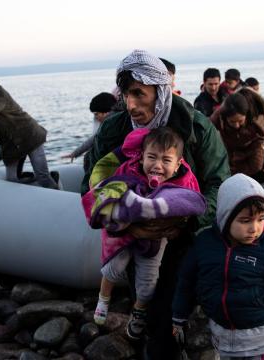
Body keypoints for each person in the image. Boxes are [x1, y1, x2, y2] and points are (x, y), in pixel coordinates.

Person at [81, 49, 230, 359]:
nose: (130, 104)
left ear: (160, 90)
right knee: (149, 308)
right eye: (125, 93)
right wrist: (126, 221)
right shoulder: (115, 128)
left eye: (139, 93)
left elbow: (219, 182)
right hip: (133, 240)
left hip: (183, 239)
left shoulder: (196, 127)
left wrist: (186, 222)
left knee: (173, 304)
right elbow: (91, 181)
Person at [82, 127, 206, 340]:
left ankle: (138, 312)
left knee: (148, 283)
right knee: (113, 266)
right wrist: (124, 208)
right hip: (125, 231)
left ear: (177, 166)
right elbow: (108, 190)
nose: (157, 165)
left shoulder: (183, 182)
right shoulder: (128, 171)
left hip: (156, 238)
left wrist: (175, 220)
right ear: (141, 158)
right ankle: (104, 297)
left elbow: (191, 202)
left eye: (166, 160)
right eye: (151, 157)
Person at [172, 174, 264, 360]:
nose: (254, 228)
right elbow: (186, 281)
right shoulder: (204, 245)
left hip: (261, 344)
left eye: (260, 219)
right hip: (221, 342)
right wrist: (179, 318)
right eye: (245, 221)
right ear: (225, 216)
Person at [61, 92, 117, 162]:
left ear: (106, 112)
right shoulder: (116, 118)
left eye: (96, 114)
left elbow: (93, 139)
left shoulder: (110, 124)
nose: (95, 118)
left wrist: (75, 153)